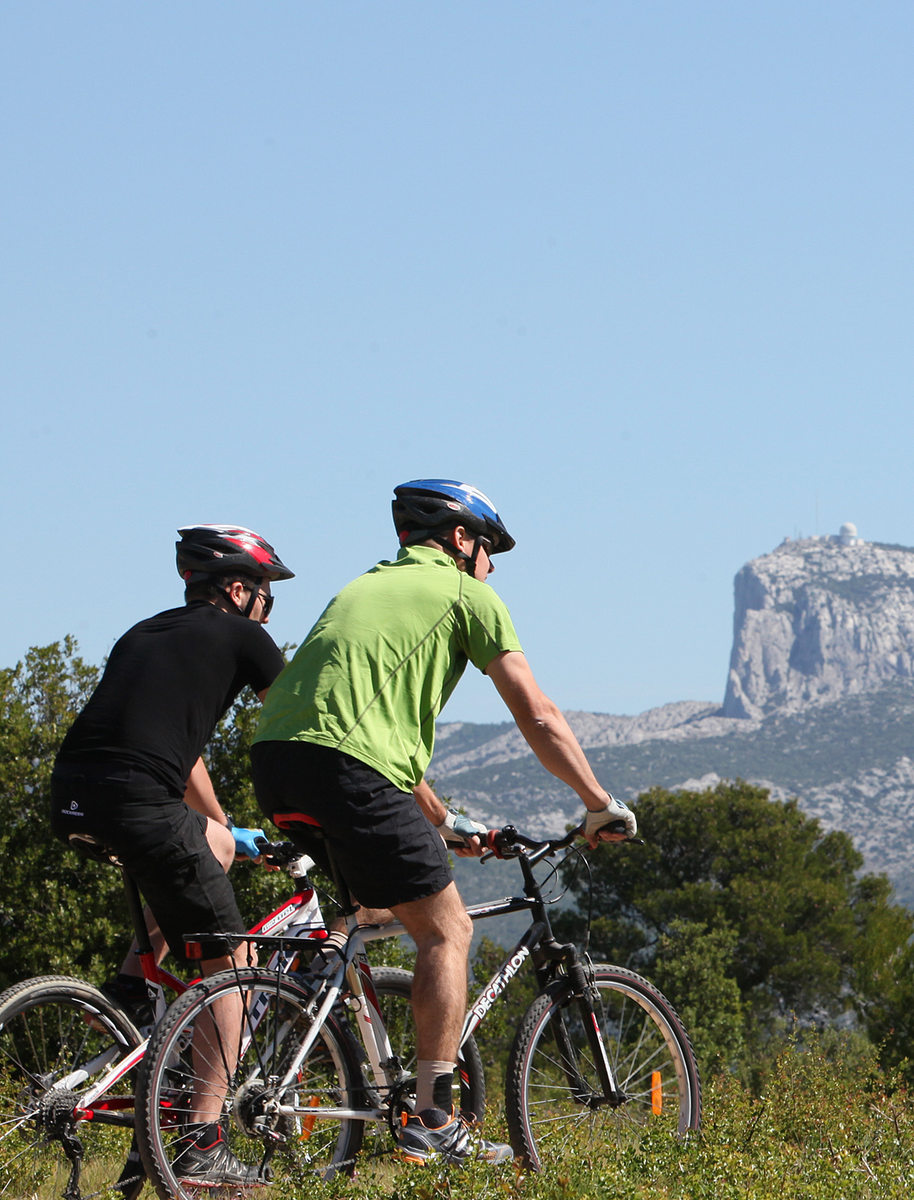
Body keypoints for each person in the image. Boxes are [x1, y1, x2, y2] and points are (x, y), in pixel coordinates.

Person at [251, 478, 634, 1166]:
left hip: (277, 765)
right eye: (489, 551)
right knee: (448, 928)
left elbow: (361, 727)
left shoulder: (363, 588)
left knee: (370, 912)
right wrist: (596, 799)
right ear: (461, 539)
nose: (491, 567)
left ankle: (300, 1006)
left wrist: (445, 819)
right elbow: (536, 713)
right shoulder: (466, 594)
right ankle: (434, 1117)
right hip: (348, 768)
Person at [49, 524, 292, 1188]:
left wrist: (221, 826)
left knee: (202, 845)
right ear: (239, 589)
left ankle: (129, 995)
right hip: (138, 804)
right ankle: (201, 1145)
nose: (270, 608)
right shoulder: (245, 636)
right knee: (234, 966)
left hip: (71, 796)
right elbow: (302, 727)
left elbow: (172, 749)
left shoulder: (144, 633)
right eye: (268, 593)